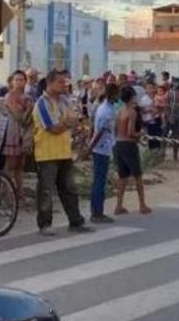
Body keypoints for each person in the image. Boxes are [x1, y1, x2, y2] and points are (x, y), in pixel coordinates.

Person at [32, 69, 91, 235]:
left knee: (69, 189)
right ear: (50, 83)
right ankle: (45, 224)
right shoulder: (42, 103)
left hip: (64, 152)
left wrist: (75, 126)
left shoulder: (65, 101)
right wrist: (67, 123)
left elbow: (74, 121)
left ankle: (76, 221)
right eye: (60, 82)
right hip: (47, 154)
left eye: (64, 82)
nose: (64, 85)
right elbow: (53, 128)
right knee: (46, 191)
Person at [114, 85, 153, 216]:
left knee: (122, 177)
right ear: (132, 97)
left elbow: (117, 129)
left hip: (118, 143)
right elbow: (130, 132)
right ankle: (142, 205)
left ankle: (119, 205)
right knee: (138, 176)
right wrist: (141, 134)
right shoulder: (132, 112)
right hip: (129, 145)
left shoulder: (120, 111)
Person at [0, 70, 34, 197]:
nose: (19, 82)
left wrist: (28, 111)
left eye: (22, 79)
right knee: (10, 163)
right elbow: (19, 116)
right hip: (13, 132)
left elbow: (29, 117)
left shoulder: (28, 97)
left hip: (25, 133)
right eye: (17, 80)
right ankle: (5, 190)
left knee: (20, 165)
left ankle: (20, 191)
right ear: (12, 82)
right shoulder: (10, 96)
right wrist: (29, 110)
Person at [88, 82, 120, 224]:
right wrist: (89, 148)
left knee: (100, 180)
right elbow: (99, 132)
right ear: (113, 95)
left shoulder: (109, 107)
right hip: (100, 149)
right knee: (99, 181)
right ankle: (97, 213)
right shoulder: (105, 111)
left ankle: (97, 211)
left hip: (105, 148)